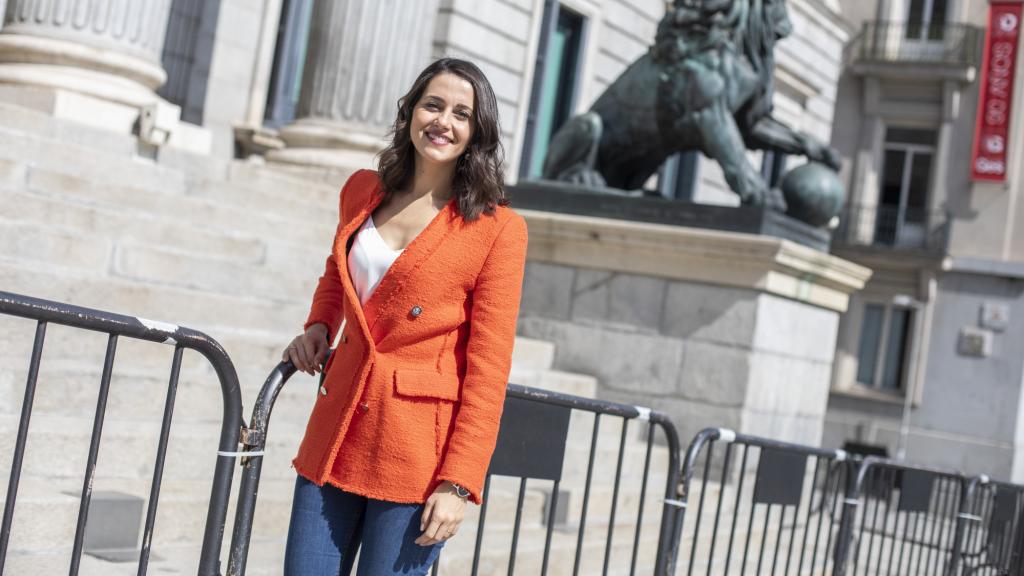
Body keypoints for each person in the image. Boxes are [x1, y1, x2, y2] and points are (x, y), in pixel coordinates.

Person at [280, 57, 528, 575]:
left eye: (462, 113)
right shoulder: (361, 189)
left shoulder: (497, 229)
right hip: (336, 426)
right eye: (433, 105)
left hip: (415, 454)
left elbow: (488, 369)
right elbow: (338, 269)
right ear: (411, 111)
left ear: (477, 132)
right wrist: (320, 325)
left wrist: (459, 482)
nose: (444, 122)